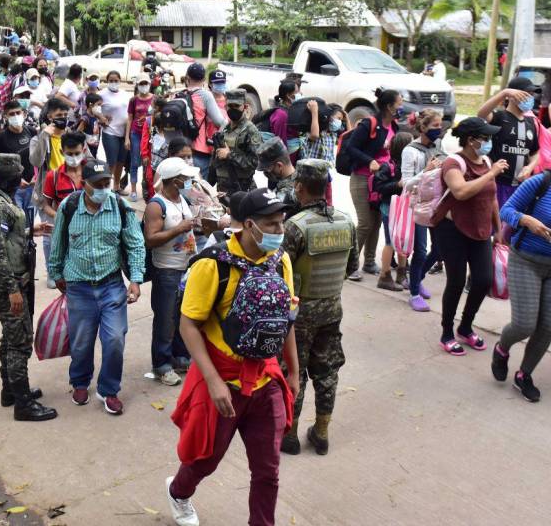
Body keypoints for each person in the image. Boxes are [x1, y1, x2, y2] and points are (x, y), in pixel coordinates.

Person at [166, 187, 299, 526]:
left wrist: (294, 372)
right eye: (271, 225)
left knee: (268, 471)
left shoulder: (279, 260)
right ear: (249, 225)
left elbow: (287, 319)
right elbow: (188, 324)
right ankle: (178, 493)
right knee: (204, 460)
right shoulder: (213, 266)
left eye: (281, 223)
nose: (278, 231)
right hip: (223, 378)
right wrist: (212, 381)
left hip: (266, 380)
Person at [47, 159, 146, 416]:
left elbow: (135, 244)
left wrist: (135, 279)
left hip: (111, 285)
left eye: (107, 183)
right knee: (81, 342)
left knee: (114, 339)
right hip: (78, 286)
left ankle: (108, 389)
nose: (104, 189)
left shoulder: (121, 207)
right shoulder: (68, 207)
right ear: (84, 185)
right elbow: (57, 243)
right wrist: (56, 273)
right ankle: (80, 382)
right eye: (98, 185)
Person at [280, 159, 357, 456]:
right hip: (332, 309)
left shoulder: (295, 227)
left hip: (298, 314)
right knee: (327, 371)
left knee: (293, 371)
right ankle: (322, 432)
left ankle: (290, 434)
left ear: (299, 187)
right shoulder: (346, 221)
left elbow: (280, 271)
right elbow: (351, 266)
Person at [0, 153, 57, 421]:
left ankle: (11, 390)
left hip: (14, 281)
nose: (23, 180)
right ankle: (23, 404)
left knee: (10, 337)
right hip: (8, 285)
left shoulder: (2, 202)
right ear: (12, 178)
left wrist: (29, 232)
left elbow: (5, 237)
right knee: (19, 343)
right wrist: (13, 289)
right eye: (19, 176)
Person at [430, 117, 508, 356]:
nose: (489, 142)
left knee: (483, 280)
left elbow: (491, 197)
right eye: (485, 138)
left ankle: (465, 326)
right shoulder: (453, 163)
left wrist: (498, 230)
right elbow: (461, 192)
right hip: (452, 230)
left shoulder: (485, 160)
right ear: (472, 140)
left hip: (481, 230)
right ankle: (446, 332)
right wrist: (491, 172)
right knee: (455, 281)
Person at [493, 171, 551, 402]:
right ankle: (501, 349)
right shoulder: (541, 182)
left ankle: (523, 375)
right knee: (524, 323)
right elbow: (506, 210)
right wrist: (526, 220)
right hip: (525, 260)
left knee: (548, 326)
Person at [144, 157, 200, 386]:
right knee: (165, 319)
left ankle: (180, 357)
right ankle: (161, 365)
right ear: (174, 180)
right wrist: (179, 228)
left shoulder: (181, 199)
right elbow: (150, 239)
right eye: (185, 178)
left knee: (180, 316)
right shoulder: (157, 205)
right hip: (166, 270)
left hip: (185, 268)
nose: (188, 180)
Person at [345, 88, 402, 281]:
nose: (401, 107)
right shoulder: (370, 124)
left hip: (382, 182)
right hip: (362, 178)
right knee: (365, 223)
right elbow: (351, 147)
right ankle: (350, 265)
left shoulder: (394, 126)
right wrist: (369, 160)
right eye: (398, 105)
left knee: (376, 222)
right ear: (389, 106)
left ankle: (369, 261)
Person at [401, 109, 445, 311]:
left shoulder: (439, 146)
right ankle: (414, 294)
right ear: (423, 127)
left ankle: (416, 278)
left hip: (437, 204)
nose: (440, 128)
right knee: (420, 250)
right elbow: (406, 183)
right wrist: (426, 171)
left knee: (439, 249)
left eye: (440, 124)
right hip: (417, 206)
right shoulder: (411, 150)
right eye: (435, 126)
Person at [477, 77, 540, 208]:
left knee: (512, 225)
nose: (530, 98)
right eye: (526, 94)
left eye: (532, 95)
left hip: (520, 187)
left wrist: (530, 167)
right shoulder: (499, 117)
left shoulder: (531, 123)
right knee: (496, 225)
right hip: (497, 183)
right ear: (512, 96)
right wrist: (504, 93)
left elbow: (535, 152)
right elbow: (481, 115)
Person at [29, 97, 69, 287]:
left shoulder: (71, 136)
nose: (63, 118)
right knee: (48, 234)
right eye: (59, 115)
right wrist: (45, 135)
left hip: (69, 192)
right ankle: (52, 272)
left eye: (65, 115)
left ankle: (67, 269)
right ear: (49, 117)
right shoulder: (39, 138)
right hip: (47, 194)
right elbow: (35, 161)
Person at [370, 132, 413, 291]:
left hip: (404, 207)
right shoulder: (389, 167)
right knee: (390, 242)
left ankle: (401, 274)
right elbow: (379, 187)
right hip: (390, 207)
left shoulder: (408, 166)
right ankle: (384, 276)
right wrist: (398, 185)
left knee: (403, 239)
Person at [183, 63, 229, 180]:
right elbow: (220, 122)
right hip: (199, 148)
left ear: (187, 77)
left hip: (182, 146)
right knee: (199, 183)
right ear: (204, 79)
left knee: (184, 182)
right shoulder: (205, 95)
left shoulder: (180, 94)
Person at [211, 89, 262, 194]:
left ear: (245, 107)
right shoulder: (224, 128)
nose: (233, 109)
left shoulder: (250, 130)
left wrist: (230, 155)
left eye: (236, 106)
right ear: (225, 107)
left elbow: (256, 162)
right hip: (223, 188)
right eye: (230, 106)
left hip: (242, 187)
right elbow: (215, 157)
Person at [0, 100, 37, 212]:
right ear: (5, 116)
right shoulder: (0, 138)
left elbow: (39, 158)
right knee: (17, 224)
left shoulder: (32, 132)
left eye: (18, 113)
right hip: (12, 190)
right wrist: (15, 180)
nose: (16, 116)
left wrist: (37, 176)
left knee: (32, 225)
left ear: (24, 114)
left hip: (32, 187)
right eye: (11, 114)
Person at [300, 104, 345, 205]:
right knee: (312, 202)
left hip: (325, 173)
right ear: (329, 116)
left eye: (341, 120)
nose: (339, 122)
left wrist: (346, 119)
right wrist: (315, 112)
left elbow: (349, 135)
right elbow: (314, 135)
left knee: (328, 202)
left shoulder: (332, 133)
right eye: (338, 118)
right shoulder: (318, 131)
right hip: (311, 173)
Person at [42, 131, 87, 219]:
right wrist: (59, 218)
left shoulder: (92, 172)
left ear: (83, 151)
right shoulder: (53, 176)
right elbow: (46, 205)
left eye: (77, 153)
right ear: (62, 152)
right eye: (69, 154)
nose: (74, 157)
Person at [99, 70, 131, 195]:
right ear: (107, 81)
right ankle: (106, 188)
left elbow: (130, 112)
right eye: (111, 81)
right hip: (110, 132)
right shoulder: (102, 94)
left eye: (116, 80)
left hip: (124, 133)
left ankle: (116, 187)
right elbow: (92, 108)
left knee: (120, 161)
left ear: (120, 81)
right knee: (111, 161)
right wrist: (101, 117)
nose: (113, 83)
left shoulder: (125, 94)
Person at [126, 75, 154, 202]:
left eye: (146, 83)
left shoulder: (155, 98)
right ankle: (133, 190)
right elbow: (130, 118)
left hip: (150, 134)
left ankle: (146, 188)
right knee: (135, 161)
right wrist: (127, 138)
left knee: (147, 161)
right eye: (141, 83)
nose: (144, 86)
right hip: (136, 133)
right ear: (137, 85)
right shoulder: (133, 100)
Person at [257, 136, 297, 211]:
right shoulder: (298, 177)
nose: (266, 173)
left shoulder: (286, 190)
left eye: (268, 169)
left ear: (279, 166)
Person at [77, 91, 105, 157]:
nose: (100, 107)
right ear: (91, 105)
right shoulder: (85, 118)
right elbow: (78, 132)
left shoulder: (95, 116)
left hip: (94, 147)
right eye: (98, 105)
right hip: (86, 150)